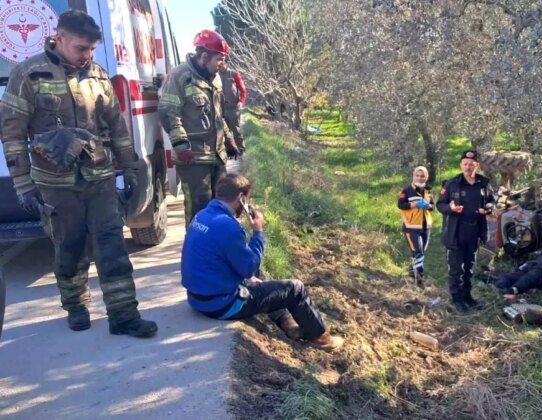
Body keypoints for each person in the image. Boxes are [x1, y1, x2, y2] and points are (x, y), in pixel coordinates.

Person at [0, 10, 157, 337]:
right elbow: (12, 132)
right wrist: (23, 184)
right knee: (69, 247)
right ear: (59, 38)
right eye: (81, 48)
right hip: (55, 184)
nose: (87, 56)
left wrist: (129, 167)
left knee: (112, 245)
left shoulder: (98, 76)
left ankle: (124, 315)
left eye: (91, 50)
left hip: (98, 178)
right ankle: (76, 305)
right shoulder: (28, 75)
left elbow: (117, 127)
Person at [181, 173, 344, 352]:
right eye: (247, 200)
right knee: (295, 289)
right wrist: (258, 233)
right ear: (241, 198)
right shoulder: (229, 227)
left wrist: (250, 277)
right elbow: (249, 267)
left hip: (197, 298)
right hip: (220, 305)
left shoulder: (201, 215)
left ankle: (288, 324)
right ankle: (321, 338)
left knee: (262, 279)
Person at [158, 29, 240, 225]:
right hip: (193, 158)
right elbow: (169, 113)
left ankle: (215, 249)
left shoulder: (215, 78)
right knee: (199, 206)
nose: (222, 64)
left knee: (220, 204)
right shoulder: (179, 77)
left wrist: (229, 140)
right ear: (204, 56)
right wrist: (181, 146)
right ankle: (196, 250)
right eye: (219, 59)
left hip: (216, 155)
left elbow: (218, 115)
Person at [437, 150, 495, 312]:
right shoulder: (452, 183)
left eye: (471, 164)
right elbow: (440, 205)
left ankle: (467, 297)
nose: (468, 167)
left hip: (475, 231)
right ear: (461, 165)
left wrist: (488, 208)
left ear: (477, 165)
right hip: (456, 232)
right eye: (465, 164)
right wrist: (450, 207)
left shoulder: (483, 183)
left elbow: (492, 201)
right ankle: (457, 300)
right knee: (457, 268)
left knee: (469, 267)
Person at [397, 166, 435, 287]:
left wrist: (428, 206)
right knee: (418, 252)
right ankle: (420, 280)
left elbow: (433, 207)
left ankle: (411, 274)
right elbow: (401, 205)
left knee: (421, 252)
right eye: (417, 175)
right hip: (411, 227)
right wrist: (415, 204)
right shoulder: (407, 191)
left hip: (425, 226)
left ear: (426, 177)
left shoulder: (428, 191)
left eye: (422, 176)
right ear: (413, 176)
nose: (419, 178)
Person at [219, 62, 246, 157]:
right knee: (223, 132)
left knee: (236, 131)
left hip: (233, 108)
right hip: (220, 109)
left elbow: (243, 90)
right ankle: (229, 152)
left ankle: (242, 151)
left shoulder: (234, 74)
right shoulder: (215, 75)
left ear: (227, 64)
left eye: (222, 64)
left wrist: (241, 102)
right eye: (219, 64)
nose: (221, 66)